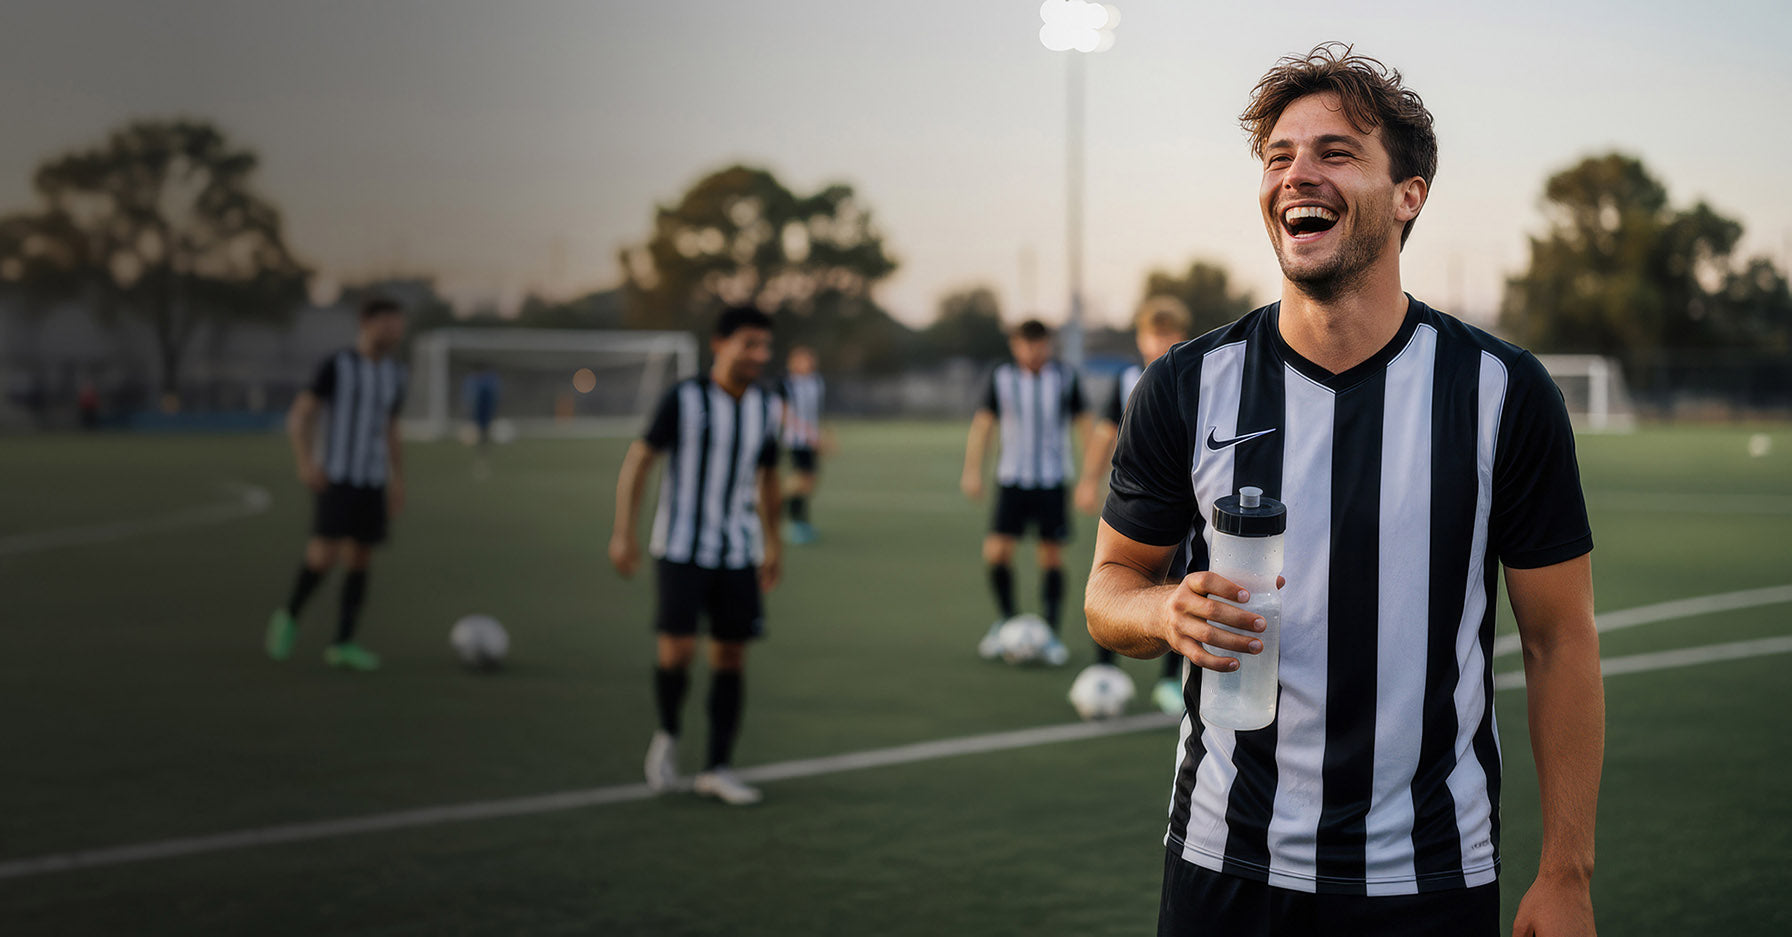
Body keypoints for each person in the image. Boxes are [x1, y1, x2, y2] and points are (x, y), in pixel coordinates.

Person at [1084, 44, 1602, 936]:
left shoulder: (1501, 394)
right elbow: (1109, 587)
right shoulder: (1185, 385)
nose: (1297, 175)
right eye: (1279, 156)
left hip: (1428, 874)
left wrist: (1566, 871)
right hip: (1224, 866)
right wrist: (1164, 610)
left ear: (1409, 195)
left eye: (1335, 153)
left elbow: (1559, 639)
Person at [609, 306, 783, 806]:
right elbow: (641, 459)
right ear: (720, 344)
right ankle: (667, 735)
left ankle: (718, 766)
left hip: (738, 549)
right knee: (677, 652)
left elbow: (769, 476)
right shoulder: (684, 399)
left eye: (764, 346)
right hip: (682, 547)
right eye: (749, 344)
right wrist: (624, 532)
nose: (759, 356)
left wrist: (773, 542)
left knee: (731, 654)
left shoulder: (766, 406)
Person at [265, 297, 409, 672]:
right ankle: (289, 617)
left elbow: (392, 429)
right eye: (389, 323)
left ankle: (343, 643)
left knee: (361, 558)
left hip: (372, 479)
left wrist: (398, 480)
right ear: (367, 323)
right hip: (338, 476)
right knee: (323, 556)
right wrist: (305, 462)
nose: (395, 330)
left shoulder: (394, 373)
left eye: (399, 324)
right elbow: (301, 416)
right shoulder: (337, 365)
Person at [1074, 295, 1193, 714]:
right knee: (1116, 577)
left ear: (1180, 335)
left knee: (1182, 580)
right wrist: (1089, 480)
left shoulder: (1192, 375)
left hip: (1184, 501)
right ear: (1141, 338)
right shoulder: (1127, 379)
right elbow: (1105, 433)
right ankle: (1104, 668)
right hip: (1130, 501)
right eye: (1153, 333)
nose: (1159, 341)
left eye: (1168, 333)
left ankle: (1170, 682)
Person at [962, 318, 1090, 666]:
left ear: (1048, 345)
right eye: (1025, 344)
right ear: (1015, 346)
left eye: (1039, 344)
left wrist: (1090, 477)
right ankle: (1006, 620)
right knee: (997, 553)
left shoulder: (1065, 377)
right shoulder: (1001, 377)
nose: (1032, 351)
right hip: (1012, 479)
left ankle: (1049, 633)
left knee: (1050, 557)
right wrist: (973, 470)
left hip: (1052, 480)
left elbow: (1084, 425)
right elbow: (984, 424)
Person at [778, 345, 827, 545]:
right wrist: (808, 435)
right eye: (801, 359)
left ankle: (802, 521)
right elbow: (784, 415)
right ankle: (791, 519)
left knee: (809, 482)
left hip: (812, 439)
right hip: (796, 440)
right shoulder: (786, 384)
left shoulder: (816, 382)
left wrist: (821, 435)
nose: (806, 363)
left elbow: (816, 413)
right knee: (801, 480)